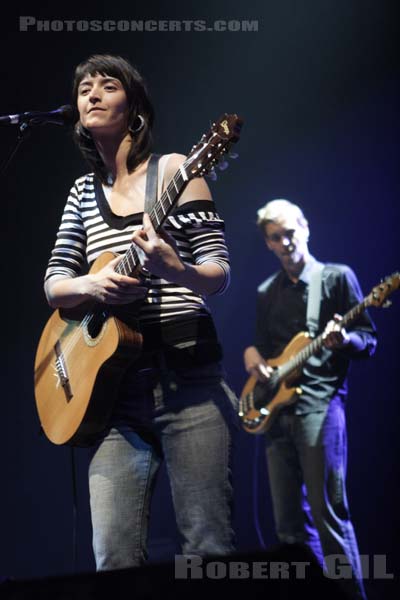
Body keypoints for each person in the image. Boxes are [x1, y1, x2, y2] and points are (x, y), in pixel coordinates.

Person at [44, 54, 238, 570]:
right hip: (112, 400)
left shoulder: (177, 169)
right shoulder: (82, 194)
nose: (91, 94)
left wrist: (176, 270)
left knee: (208, 548)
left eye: (108, 85)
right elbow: (55, 286)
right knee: (113, 557)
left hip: (189, 381)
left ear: (135, 110)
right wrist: (93, 282)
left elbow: (218, 271)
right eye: (84, 87)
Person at [243, 199, 376, 599]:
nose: (285, 242)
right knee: (288, 529)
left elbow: (368, 341)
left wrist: (345, 339)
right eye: (275, 237)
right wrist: (251, 358)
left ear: (306, 227)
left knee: (328, 515)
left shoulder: (336, 278)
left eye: (290, 232)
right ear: (267, 243)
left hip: (321, 405)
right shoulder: (266, 292)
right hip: (277, 413)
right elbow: (263, 351)